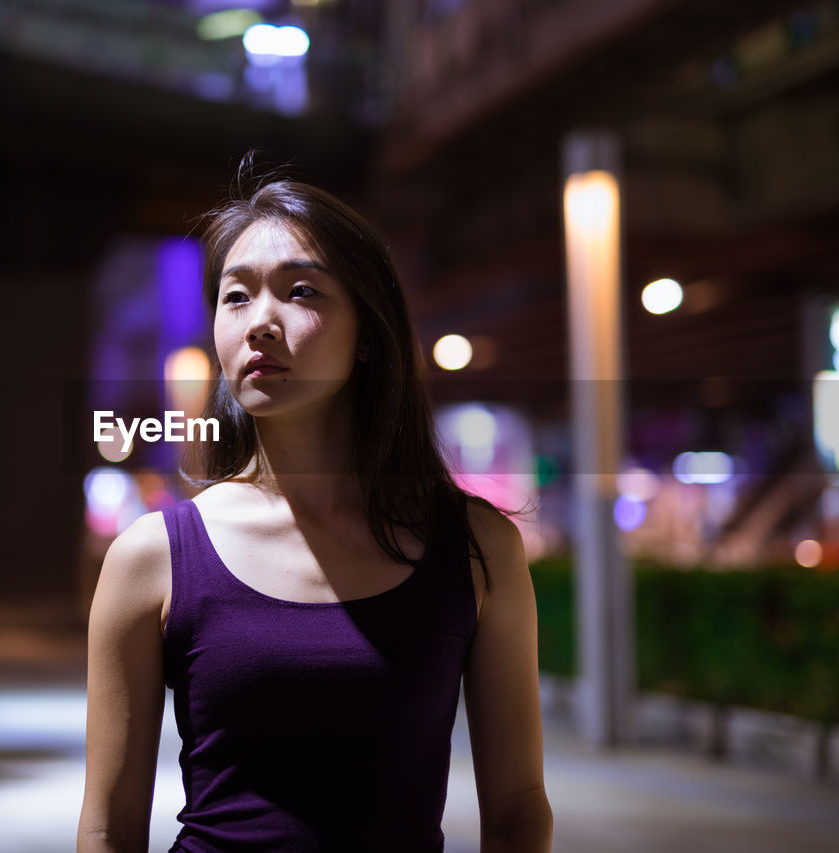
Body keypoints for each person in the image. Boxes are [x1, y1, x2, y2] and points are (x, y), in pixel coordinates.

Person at [78, 162, 552, 852]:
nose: (260, 322)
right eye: (235, 297)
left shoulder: (476, 548)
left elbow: (518, 806)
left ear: (368, 333)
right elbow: (106, 825)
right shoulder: (152, 558)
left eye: (300, 291)